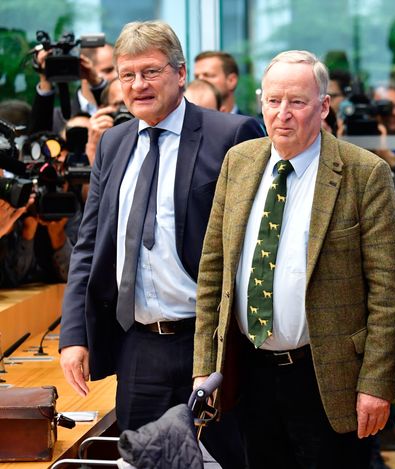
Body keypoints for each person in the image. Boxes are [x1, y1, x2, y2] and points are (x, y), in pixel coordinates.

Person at [192, 50, 395, 469]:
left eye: (297, 102)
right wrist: (204, 368)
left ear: (323, 106)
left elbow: (387, 289)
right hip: (250, 374)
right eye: (273, 101)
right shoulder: (239, 161)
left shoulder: (365, 173)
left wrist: (377, 385)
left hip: (329, 378)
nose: (282, 114)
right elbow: (213, 272)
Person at [58, 19, 264, 440]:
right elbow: (89, 246)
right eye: (127, 75)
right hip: (140, 347)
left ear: (181, 73)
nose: (138, 84)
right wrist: (73, 336)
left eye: (151, 71)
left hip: (212, 344)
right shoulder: (114, 144)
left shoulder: (231, 134)